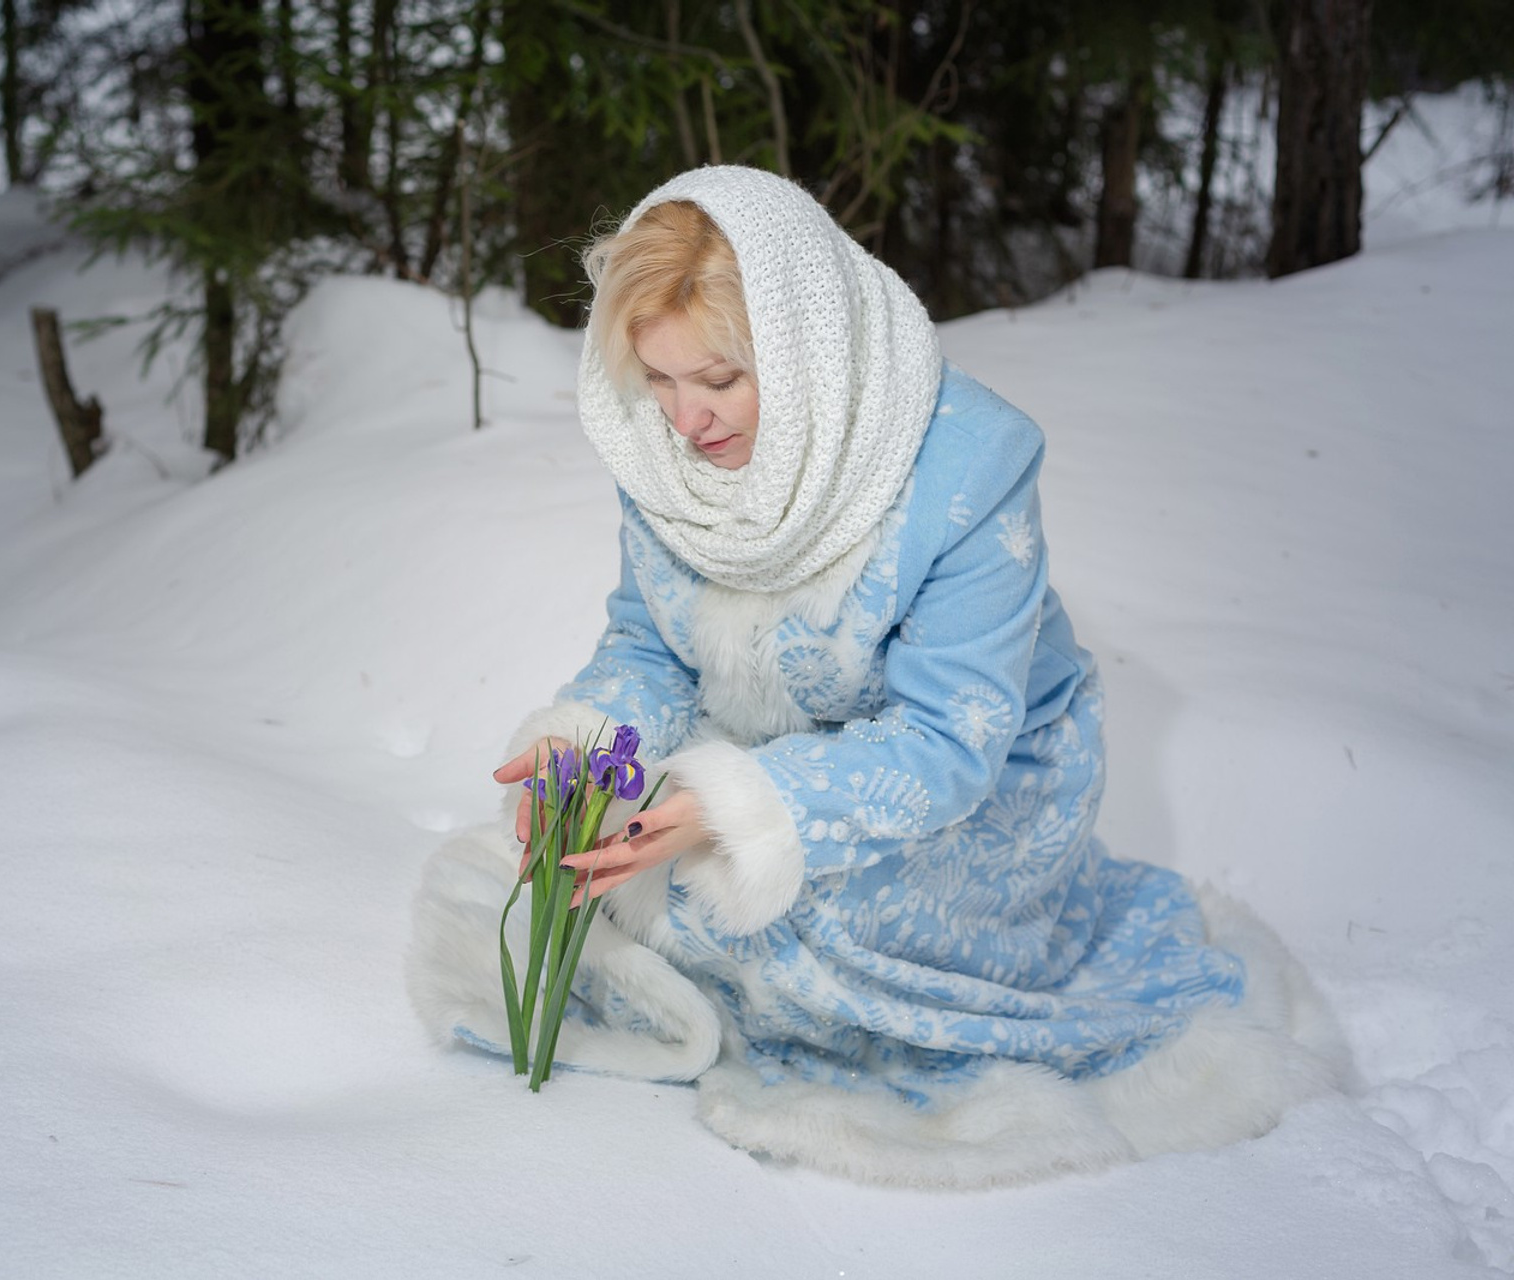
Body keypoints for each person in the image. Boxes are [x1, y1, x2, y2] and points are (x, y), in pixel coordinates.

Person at [409, 165, 1346, 1187]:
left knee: (796, 924)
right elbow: (652, 648)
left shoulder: (968, 464)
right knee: (641, 873)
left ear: (805, 353)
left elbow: (952, 741)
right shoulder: (666, 455)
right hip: (782, 756)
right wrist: (585, 748)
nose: (686, 420)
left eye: (718, 380)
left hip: (976, 791)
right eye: (661, 380)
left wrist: (733, 809)